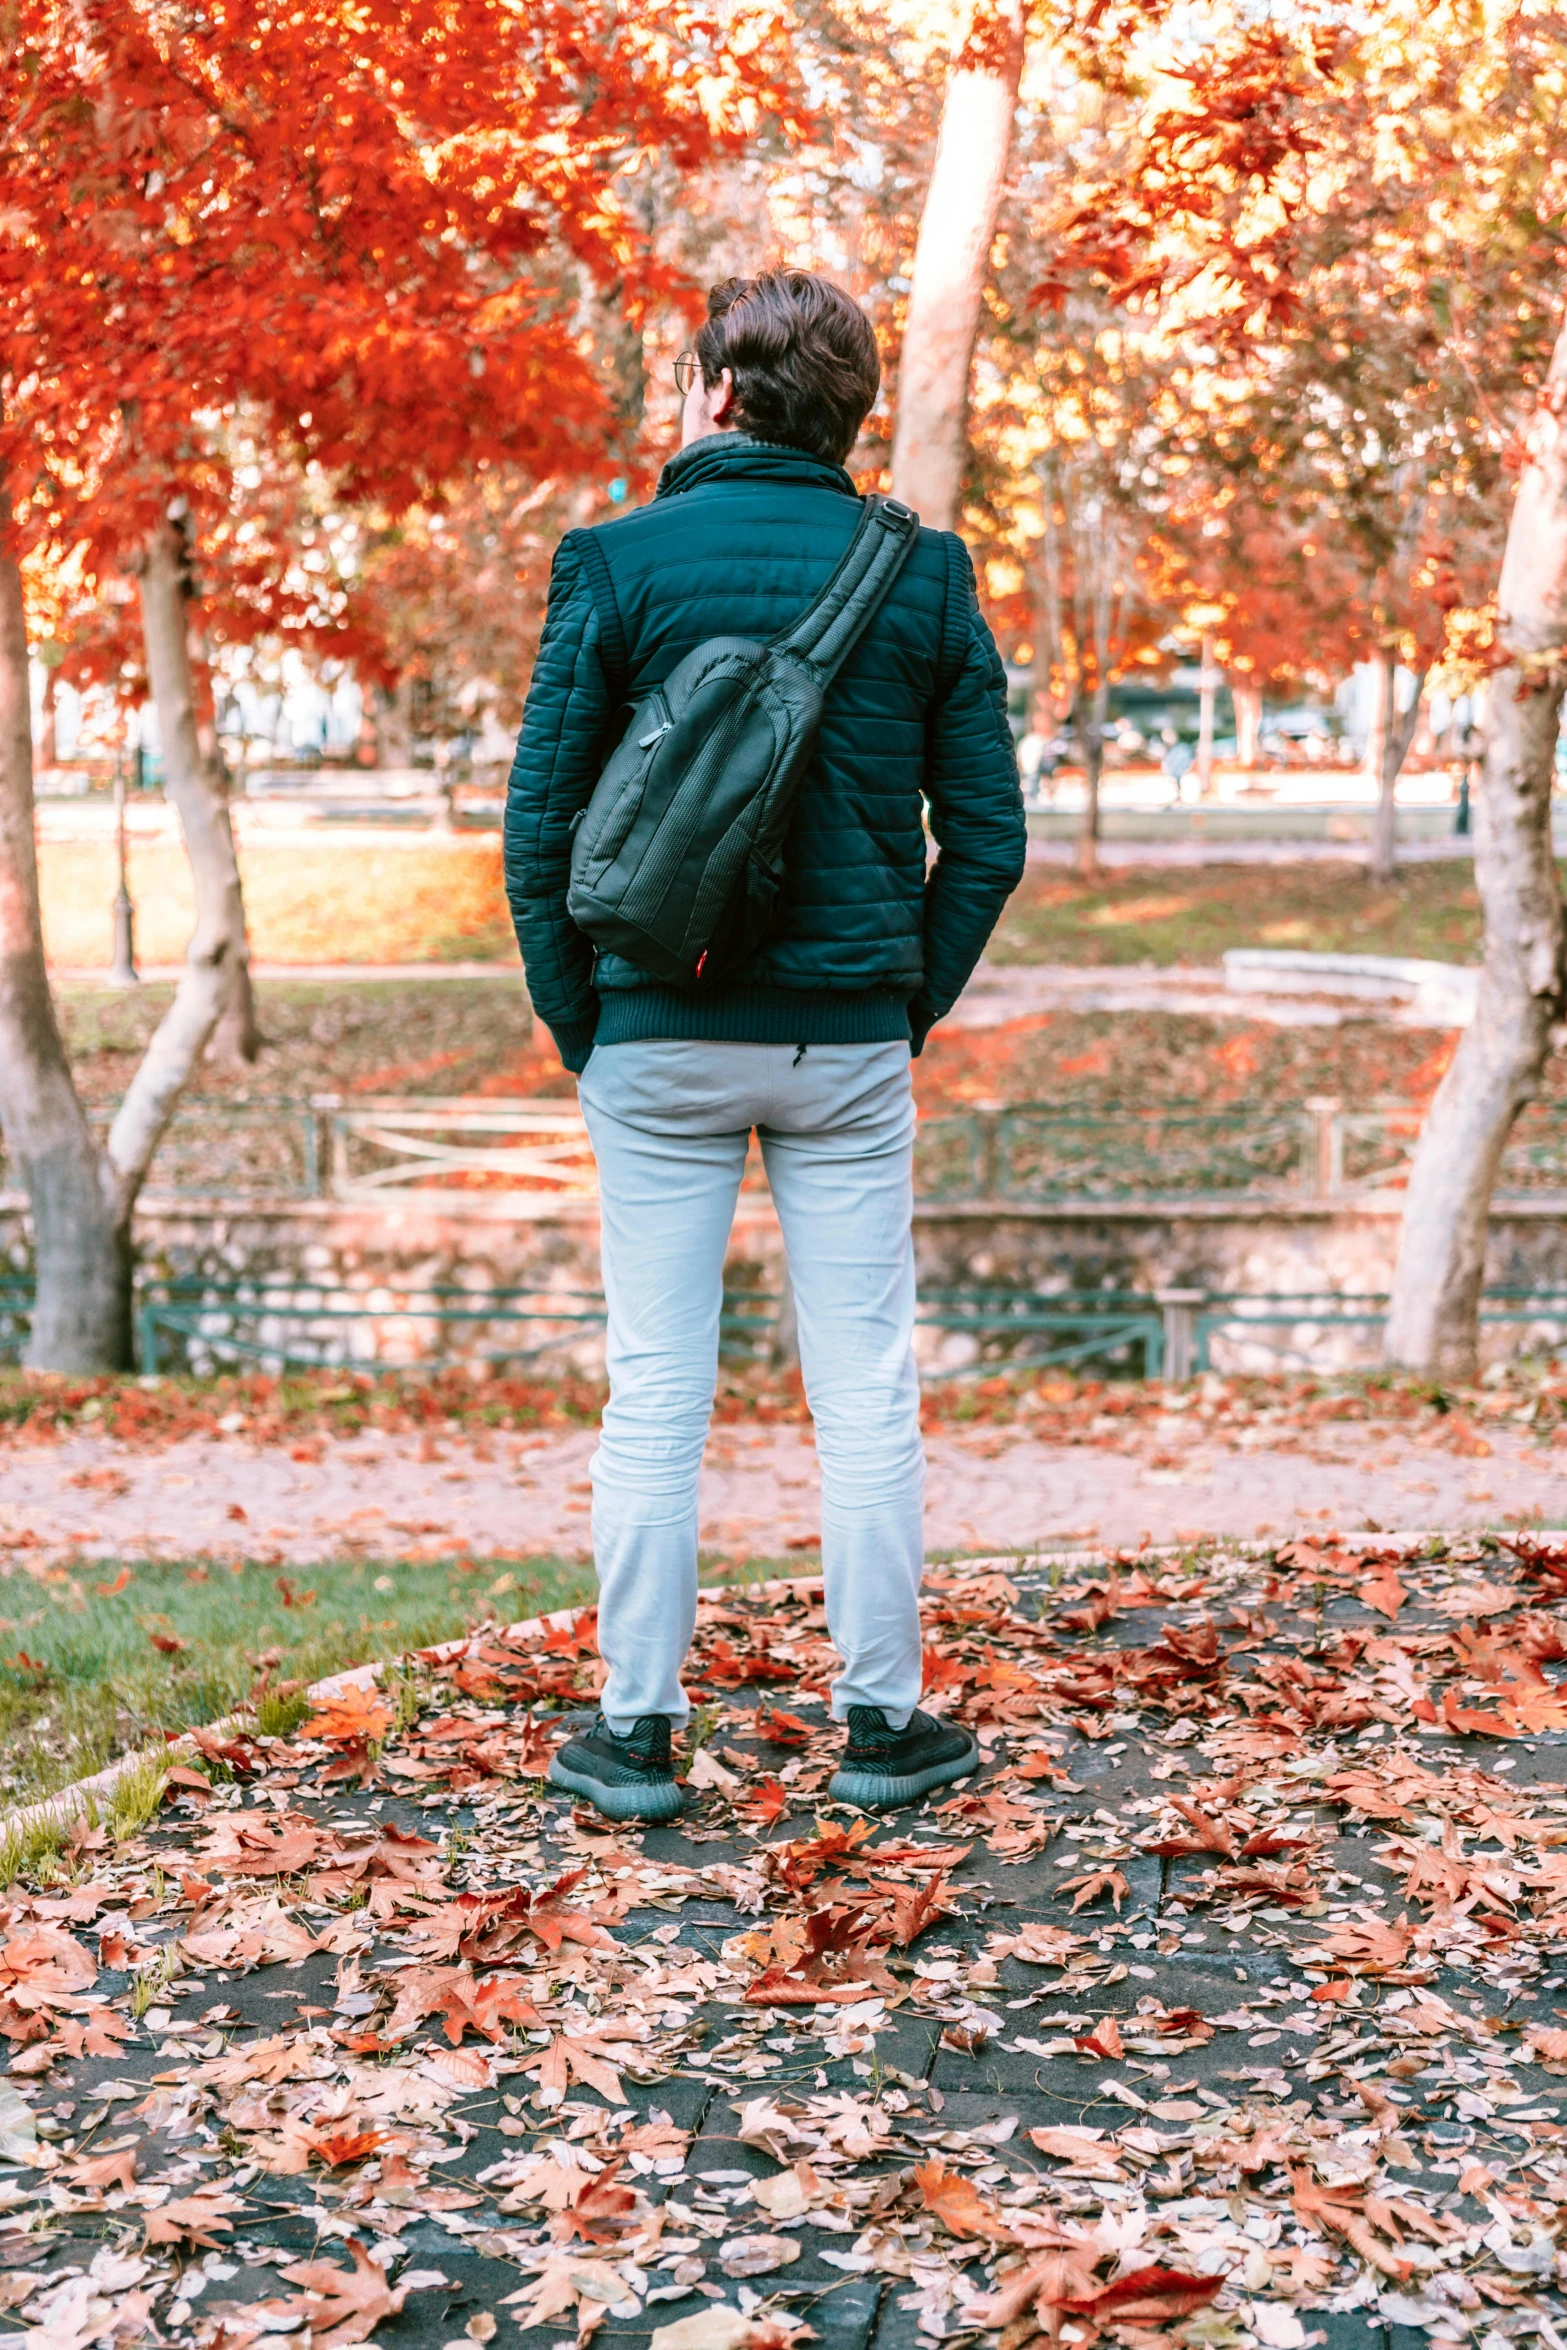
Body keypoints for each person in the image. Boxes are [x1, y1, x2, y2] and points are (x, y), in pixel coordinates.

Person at [504, 269, 1027, 1821]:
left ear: (717, 395)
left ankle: (637, 1735)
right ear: (841, 413)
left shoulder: (607, 563)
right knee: (863, 1381)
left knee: (655, 1385)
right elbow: (985, 840)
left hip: (655, 1035)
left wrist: (587, 1024)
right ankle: (880, 1724)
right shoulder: (921, 578)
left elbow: (538, 835)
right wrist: (897, 1002)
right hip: (844, 1049)